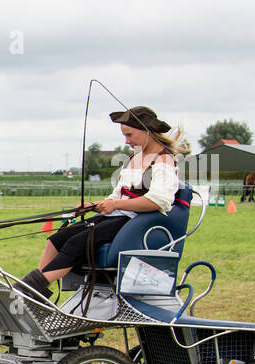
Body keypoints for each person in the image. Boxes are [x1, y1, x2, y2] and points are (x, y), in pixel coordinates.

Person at [18, 106, 191, 299]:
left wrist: (115, 206)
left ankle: (29, 291)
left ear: (147, 131)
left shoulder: (164, 159)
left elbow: (158, 201)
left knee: (77, 243)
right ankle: (37, 293)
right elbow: (118, 195)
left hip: (135, 221)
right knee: (57, 239)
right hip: (117, 216)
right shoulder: (134, 158)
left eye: (130, 135)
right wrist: (94, 205)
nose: (126, 141)